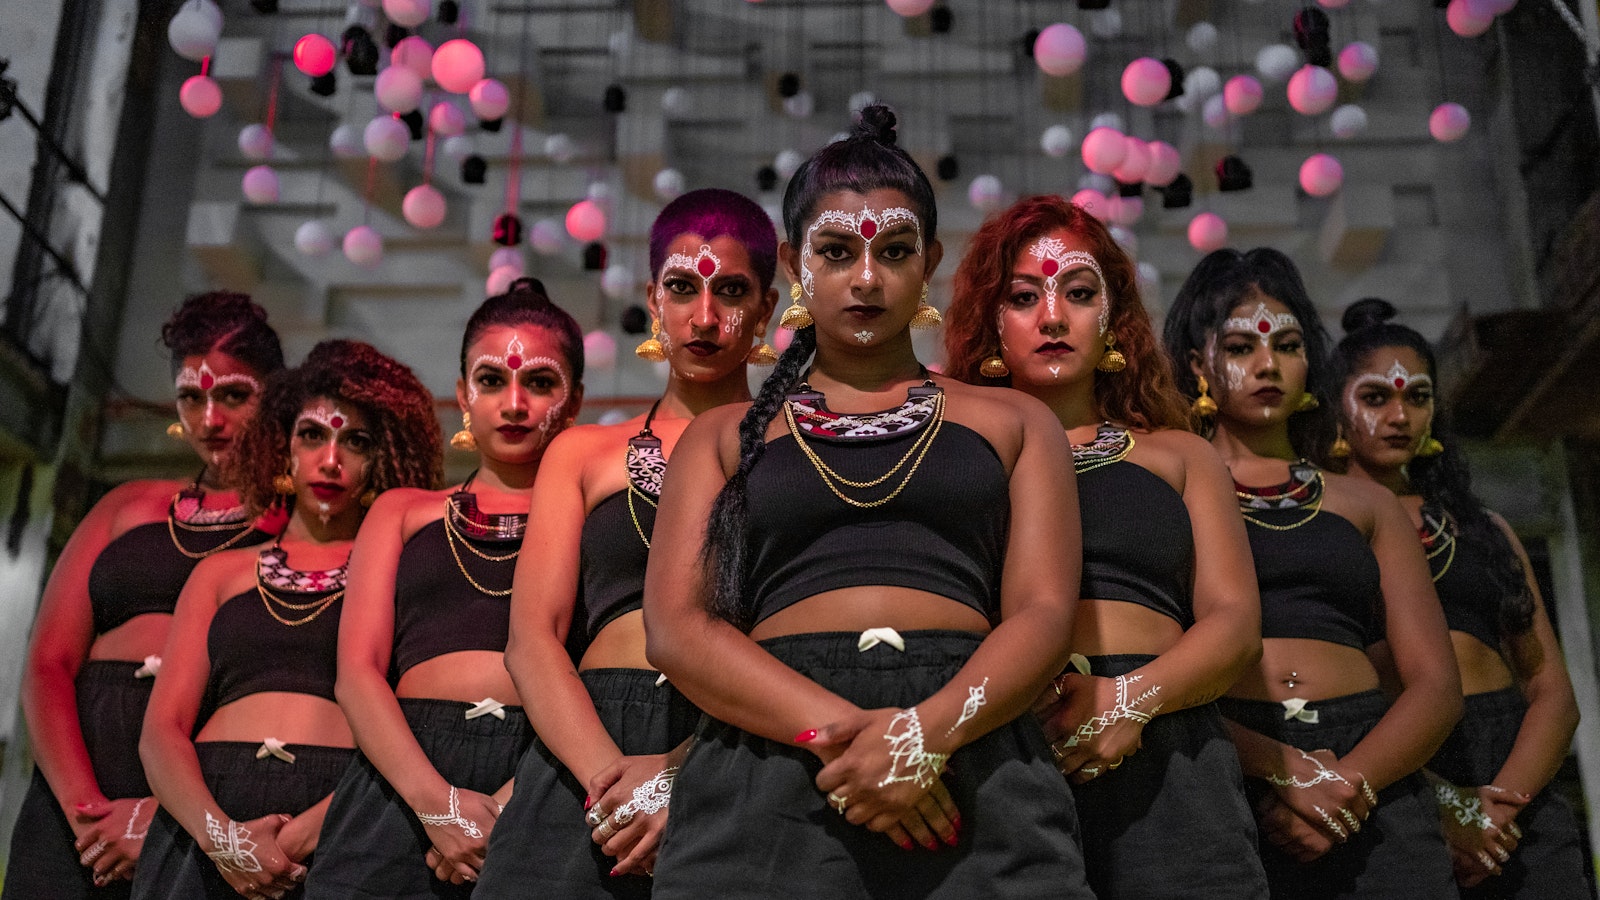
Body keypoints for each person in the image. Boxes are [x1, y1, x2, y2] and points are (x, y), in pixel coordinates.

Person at [639, 106, 1094, 899]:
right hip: (773, 748)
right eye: (837, 251)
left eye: (893, 251)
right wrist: (851, 740)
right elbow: (677, 630)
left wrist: (930, 732)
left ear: (931, 264)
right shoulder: (720, 437)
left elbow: (1045, 614)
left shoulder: (1015, 420)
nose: (867, 278)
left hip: (974, 745)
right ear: (792, 262)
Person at [943, 194, 1269, 899]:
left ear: (1113, 318)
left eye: (1080, 293)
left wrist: (1129, 701)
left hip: (1170, 744)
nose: (1053, 317)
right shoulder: (957, 461)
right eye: (1023, 296)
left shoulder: (1180, 457)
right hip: (1002, 738)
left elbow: (1236, 624)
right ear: (989, 322)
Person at [475, 188, 778, 897]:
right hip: (584, 747)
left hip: (736, 734)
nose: (704, 317)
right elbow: (533, 640)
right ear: (652, 300)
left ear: (766, 309)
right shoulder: (584, 453)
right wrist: (610, 785)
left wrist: (682, 771)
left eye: (731, 291)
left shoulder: (797, 452)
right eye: (681, 288)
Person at [1162, 248, 1463, 899]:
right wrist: (1285, 773)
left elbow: (1436, 685)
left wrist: (1345, 784)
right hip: (1231, 761)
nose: (1268, 364)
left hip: (1372, 771)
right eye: (1241, 346)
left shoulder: (1367, 503)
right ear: (1197, 365)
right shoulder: (1170, 492)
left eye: (1289, 345)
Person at [301, 280, 585, 898]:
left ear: (577, 401)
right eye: (491, 381)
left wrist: (512, 802)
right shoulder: (403, 513)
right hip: (400, 774)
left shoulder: (596, 521)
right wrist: (437, 805)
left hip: (546, 766)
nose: (514, 404)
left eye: (539, 383)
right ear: (462, 396)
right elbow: (357, 672)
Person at [132, 340, 442, 900]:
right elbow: (160, 732)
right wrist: (223, 840)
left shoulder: (402, 576)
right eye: (312, 435)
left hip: (346, 810)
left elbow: (413, 721)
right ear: (282, 448)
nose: (330, 459)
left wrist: (300, 837)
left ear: (385, 460)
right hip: (206, 812)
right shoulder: (218, 575)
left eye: (356, 441)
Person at [6, 293, 283, 899]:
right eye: (192, 397)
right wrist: (87, 815)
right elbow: (48, 665)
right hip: (81, 770)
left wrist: (157, 818)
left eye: (233, 396)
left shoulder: (298, 525)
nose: (210, 420)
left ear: (277, 395)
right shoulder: (126, 506)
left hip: (208, 766)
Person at [1333, 298, 1587, 898]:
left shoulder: (1483, 528)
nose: (1399, 415)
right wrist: (1448, 807)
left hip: (1515, 775)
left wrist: (1498, 812)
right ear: (1335, 412)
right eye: (1376, 398)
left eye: (1416, 397)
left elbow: (1552, 689)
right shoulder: (1319, 532)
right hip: (1394, 768)